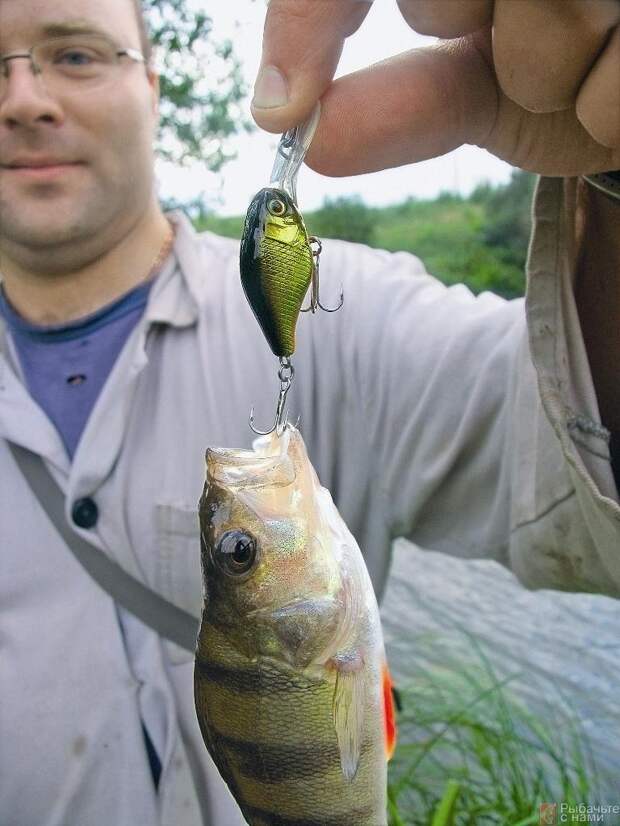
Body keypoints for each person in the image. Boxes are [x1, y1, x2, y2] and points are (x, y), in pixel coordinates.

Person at [0, 0, 618, 823]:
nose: (23, 99)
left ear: (152, 86)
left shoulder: (351, 315)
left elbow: (578, 455)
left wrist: (610, 188)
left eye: (74, 55)